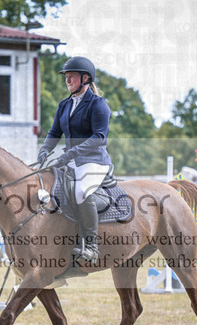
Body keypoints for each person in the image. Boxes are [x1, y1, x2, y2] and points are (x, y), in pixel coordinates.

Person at [37, 56, 113, 263]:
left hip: (94, 161)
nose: (68, 80)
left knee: (81, 191)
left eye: (72, 77)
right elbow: (54, 132)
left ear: (85, 78)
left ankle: (91, 246)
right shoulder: (64, 105)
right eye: (66, 77)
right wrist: (44, 150)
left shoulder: (98, 105)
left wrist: (71, 153)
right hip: (71, 160)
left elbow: (99, 137)